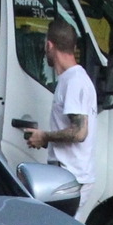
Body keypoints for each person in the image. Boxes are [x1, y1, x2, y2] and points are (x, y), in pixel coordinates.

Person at [20, 20, 95, 187]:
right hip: (69, 174)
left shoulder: (74, 81)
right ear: (73, 47)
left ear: (49, 45)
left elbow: (79, 132)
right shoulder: (70, 79)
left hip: (71, 176)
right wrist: (46, 139)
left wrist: (44, 136)